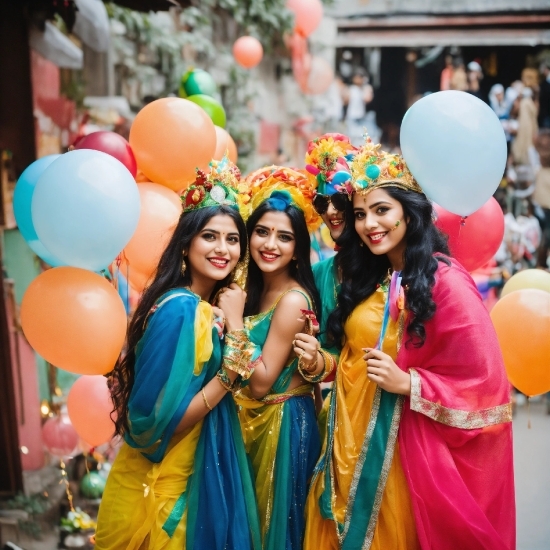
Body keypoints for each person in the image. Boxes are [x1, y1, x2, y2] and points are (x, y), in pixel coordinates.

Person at [303, 138, 515, 550]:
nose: (368, 224)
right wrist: (318, 365)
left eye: (382, 210)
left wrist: (410, 384)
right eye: (361, 213)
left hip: (400, 458)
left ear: (410, 214)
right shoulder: (368, 278)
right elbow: (350, 360)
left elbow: (486, 385)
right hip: (342, 446)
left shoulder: (446, 282)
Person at [95, 160, 261, 550]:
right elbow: (157, 425)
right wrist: (228, 375)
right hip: (168, 486)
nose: (223, 249)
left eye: (232, 239)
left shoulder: (198, 307)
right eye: (210, 237)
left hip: (196, 469)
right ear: (186, 244)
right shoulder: (182, 310)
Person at [217, 166, 335, 550]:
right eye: (263, 232)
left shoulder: (294, 300)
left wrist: (234, 321)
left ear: (298, 248)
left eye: (284, 237)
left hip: (283, 426)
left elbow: (262, 378)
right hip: (249, 420)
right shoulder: (253, 290)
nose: (271, 244)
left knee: (274, 531)